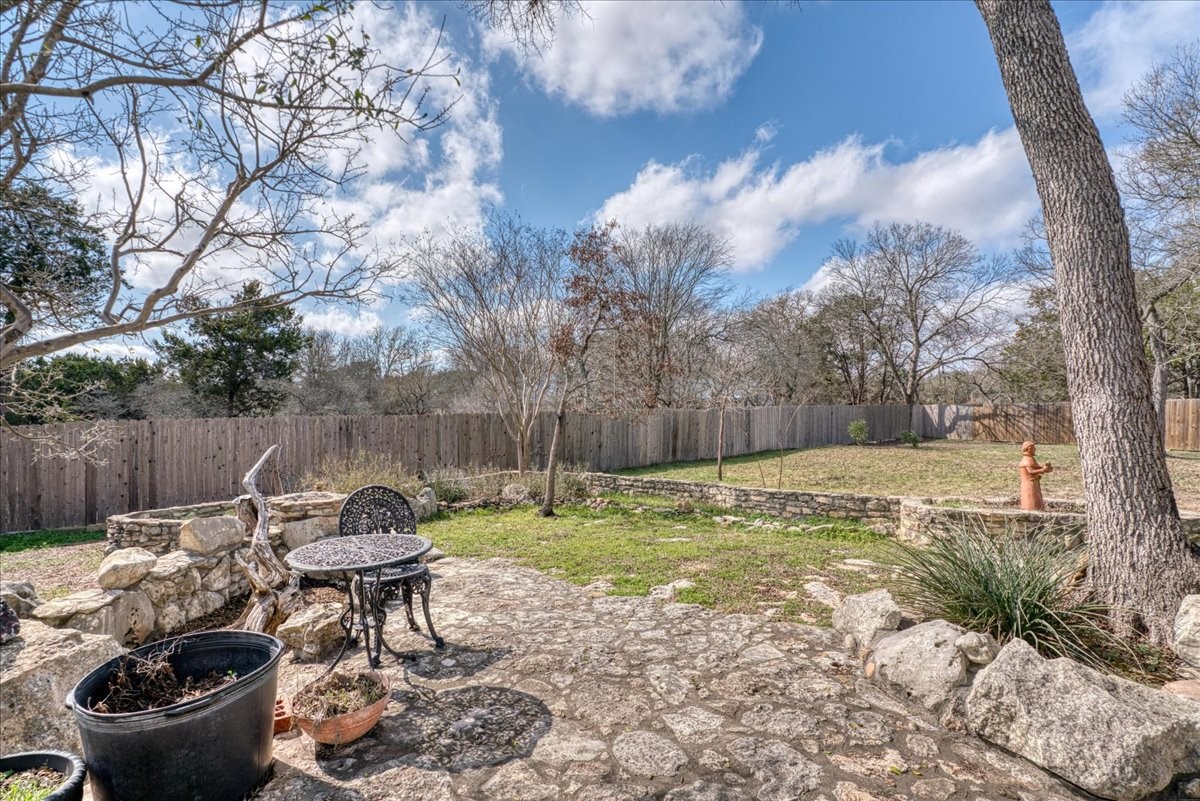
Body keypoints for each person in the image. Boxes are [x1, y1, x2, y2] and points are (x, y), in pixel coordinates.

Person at [1019, 441, 1053, 511]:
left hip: (1033, 483)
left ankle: (1038, 509)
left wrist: (1044, 468)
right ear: (1029, 449)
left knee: (1036, 497)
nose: (1035, 449)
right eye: (1034, 448)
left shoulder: (1030, 459)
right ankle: (1030, 509)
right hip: (1029, 484)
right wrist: (1043, 470)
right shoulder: (1027, 460)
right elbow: (1031, 471)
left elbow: (1035, 467)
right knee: (1031, 498)